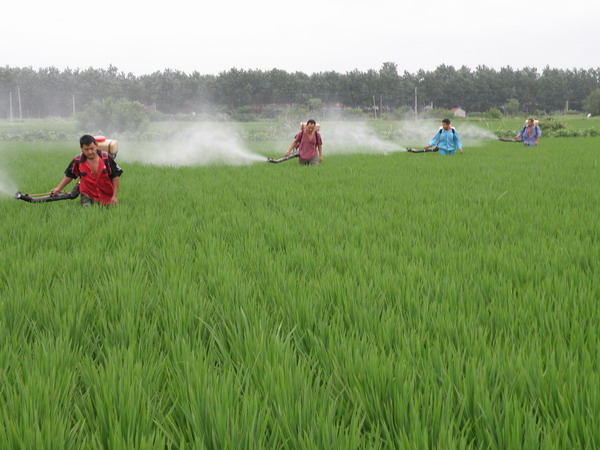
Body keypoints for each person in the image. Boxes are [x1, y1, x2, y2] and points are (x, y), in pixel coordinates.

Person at [50, 135, 123, 206]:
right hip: (87, 194)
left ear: (96, 145)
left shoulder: (106, 157)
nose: (90, 152)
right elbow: (69, 175)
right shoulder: (78, 160)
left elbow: (115, 177)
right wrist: (58, 188)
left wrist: (114, 196)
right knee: (87, 212)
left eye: (92, 148)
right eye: (86, 149)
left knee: (107, 211)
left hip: (106, 194)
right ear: (81, 148)